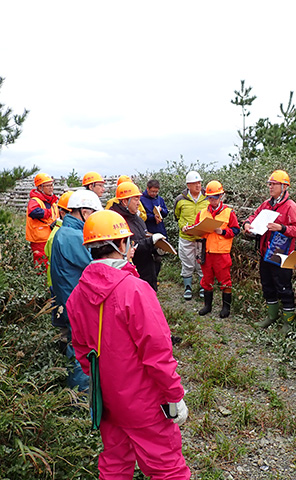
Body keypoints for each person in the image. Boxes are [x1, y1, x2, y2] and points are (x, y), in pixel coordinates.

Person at [67, 210, 190, 479]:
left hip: (107, 401)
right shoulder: (135, 290)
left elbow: (82, 352)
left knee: (114, 463)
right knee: (167, 468)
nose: (132, 247)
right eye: (129, 242)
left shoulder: (76, 295)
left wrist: (105, 384)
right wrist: (174, 395)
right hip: (144, 402)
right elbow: (157, 353)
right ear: (120, 245)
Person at [50, 189, 103, 390]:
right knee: (81, 346)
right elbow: (93, 264)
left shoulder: (67, 231)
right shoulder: (72, 236)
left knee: (77, 343)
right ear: (85, 212)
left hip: (69, 295)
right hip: (75, 298)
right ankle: (81, 395)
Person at [242, 170, 296, 330]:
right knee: (267, 284)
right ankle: (272, 316)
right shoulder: (266, 204)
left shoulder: (291, 207)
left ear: (284, 186)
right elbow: (252, 217)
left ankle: (288, 323)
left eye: (273, 184)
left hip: (281, 256)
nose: (270, 186)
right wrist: (247, 224)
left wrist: (281, 228)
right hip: (265, 253)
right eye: (269, 184)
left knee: (283, 287)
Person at [185, 180, 240, 318]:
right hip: (206, 252)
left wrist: (223, 232)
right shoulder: (203, 213)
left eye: (215, 197)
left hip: (222, 253)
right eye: (210, 197)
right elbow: (196, 229)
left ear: (221, 196)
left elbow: (236, 230)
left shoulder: (229, 212)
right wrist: (188, 229)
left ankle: (225, 308)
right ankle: (207, 306)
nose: (212, 200)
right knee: (206, 280)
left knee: (225, 281)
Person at [109, 181, 164, 292]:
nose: (139, 203)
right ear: (125, 201)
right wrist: (150, 242)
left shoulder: (137, 219)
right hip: (132, 276)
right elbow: (128, 246)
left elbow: (143, 237)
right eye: (136, 199)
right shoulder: (117, 221)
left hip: (146, 270)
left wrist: (157, 247)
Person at [174, 171, 209, 300]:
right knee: (187, 263)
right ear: (188, 185)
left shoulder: (207, 197)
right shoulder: (180, 199)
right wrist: (183, 226)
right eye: (195, 183)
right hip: (186, 237)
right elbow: (177, 216)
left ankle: (202, 286)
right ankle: (187, 287)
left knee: (202, 264)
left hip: (202, 237)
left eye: (199, 182)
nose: (198, 185)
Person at [45, 190, 73, 330]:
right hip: (59, 285)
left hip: (58, 283)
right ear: (63, 213)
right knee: (63, 323)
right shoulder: (59, 235)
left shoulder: (59, 231)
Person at [25, 173, 59, 270]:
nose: (51, 188)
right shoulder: (35, 200)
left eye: (51, 185)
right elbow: (33, 212)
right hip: (39, 240)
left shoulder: (52, 201)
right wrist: (48, 213)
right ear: (40, 187)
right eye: (48, 186)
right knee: (42, 267)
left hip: (51, 238)